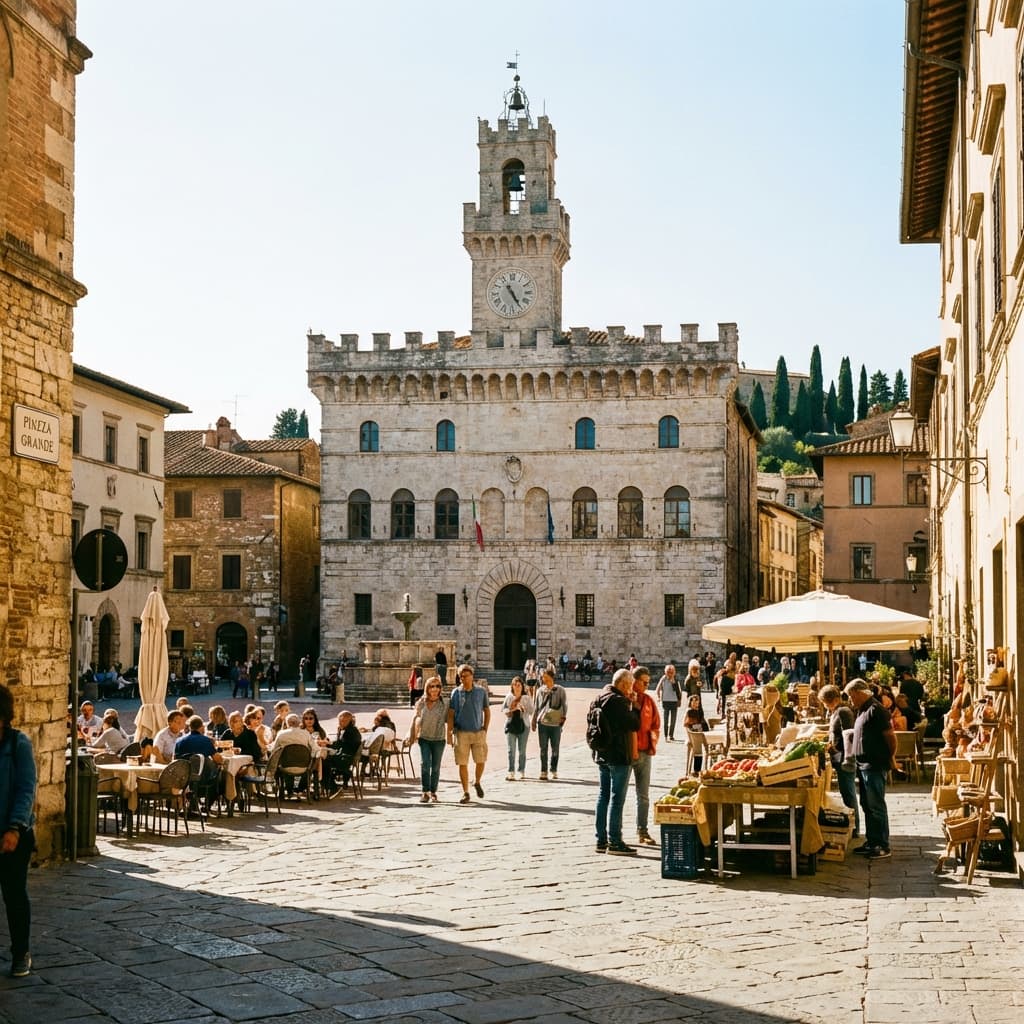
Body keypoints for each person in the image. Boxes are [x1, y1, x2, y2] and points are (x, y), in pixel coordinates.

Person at [0, 684, 36, 978]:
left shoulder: (17, 744)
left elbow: (26, 789)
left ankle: (20, 952)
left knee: (14, 895)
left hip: (13, 834)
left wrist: (14, 828)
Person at [845, 678, 896, 859]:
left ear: (859, 693)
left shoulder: (877, 710)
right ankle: (872, 841)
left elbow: (890, 737)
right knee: (867, 804)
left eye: (851, 696)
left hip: (874, 764)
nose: (850, 700)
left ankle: (882, 844)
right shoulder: (862, 710)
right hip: (863, 764)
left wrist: (890, 758)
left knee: (876, 805)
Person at [592, 668, 641, 855]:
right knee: (616, 798)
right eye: (630, 685)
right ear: (622, 684)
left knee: (603, 796)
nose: (631, 689)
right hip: (619, 755)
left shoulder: (599, 697)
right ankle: (615, 841)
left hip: (602, 753)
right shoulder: (619, 702)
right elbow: (634, 724)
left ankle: (601, 839)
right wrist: (633, 704)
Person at [819, 685, 860, 838]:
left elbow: (849, 734)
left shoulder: (843, 711)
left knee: (848, 792)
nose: (825, 705)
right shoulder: (837, 711)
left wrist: (837, 748)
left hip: (845, 758)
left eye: (825, 702)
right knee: (845, 791)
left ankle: (854, 826)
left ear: (834, 699)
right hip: (840, 757)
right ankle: (852, 825)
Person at [447, 664, 490, 804]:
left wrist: (485, 728)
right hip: (461, 733)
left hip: (478, 732)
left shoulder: (481, 692)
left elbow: (486, 710)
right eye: (461, 676)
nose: (463, 679)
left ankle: (477, 782)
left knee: (481, 760)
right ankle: (465, 792)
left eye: (466, 676)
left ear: (472, 676)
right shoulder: (456, 692)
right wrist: (449, 732)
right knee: (462, 763)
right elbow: (451, 713)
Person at [629, 666, 660, 847]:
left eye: (649, 682)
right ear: (634, 680)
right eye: (644, 682)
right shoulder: (624, 698)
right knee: (620, 794)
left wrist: (651, 743)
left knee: (644, 795)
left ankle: (642, 830)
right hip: (626, 752)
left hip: (644, 752)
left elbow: (655, 724)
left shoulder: (648, 701)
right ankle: (614, 833)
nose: (647, 686)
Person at [412, 677, 448, 802]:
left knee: (436, 767)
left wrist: (452, 735)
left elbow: (452, 719)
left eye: (437, 686)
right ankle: (425, 792)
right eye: (432, 686)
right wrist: (411, 735)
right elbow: (415, 719)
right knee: (425, 764)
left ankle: (433, 792)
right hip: (424, 738)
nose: (435, 689)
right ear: (427, 688)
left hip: (439, 739)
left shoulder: (445, 703)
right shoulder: (421, 703)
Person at [532, 668, 567, 779]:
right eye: (543, 677)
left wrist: (562, 720)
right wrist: (533, 721)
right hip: (542, 723)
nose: (544, 679)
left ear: (552, 678)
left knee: (555, 748)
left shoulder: (560, 690)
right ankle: (543, 771)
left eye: (546, 677)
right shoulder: (540, 691)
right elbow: (536, 707)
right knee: (543, 748)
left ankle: (553, 769)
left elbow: (564, 706)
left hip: (556, 724)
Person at [502, 677, 534, 781]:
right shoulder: (509, 696)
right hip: (511, 725)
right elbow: (504, 710)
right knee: (511, 750)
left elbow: (531, 711)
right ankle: (511, 771)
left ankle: (521, 770)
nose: (517, 687)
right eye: (514, 685)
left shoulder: (526, 698)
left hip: (523, 725)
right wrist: (513, 708)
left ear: (522, 686)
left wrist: (524, 708)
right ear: (512, 686)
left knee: (522, 750)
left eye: (519, 685)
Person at [326, 711, 363, 794]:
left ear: (350, 721)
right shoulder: (351, 730)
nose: (340, 723)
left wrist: (328, 744)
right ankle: (329, 784)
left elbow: (339, 745)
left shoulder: (349, 732)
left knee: (324, 761)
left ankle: (332, 786)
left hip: (345, 759)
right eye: (340, 721)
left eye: (343, 721)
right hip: (347, 757)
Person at [682, 694, 709, 772]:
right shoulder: (690, 711)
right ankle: (697, 770)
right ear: (690, 702)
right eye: (693, 701)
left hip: (699, 733)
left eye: (697, 701)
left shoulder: (698, 711)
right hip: (693, 735)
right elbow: (689, 725)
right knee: (698, 749)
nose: (695, 703)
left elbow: (702, 723)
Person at [654, 664, 681, 740]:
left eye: (671, 672)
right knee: (665, 720)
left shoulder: (675, 679)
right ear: (665, 672)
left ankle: (671, 735)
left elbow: (678, 691)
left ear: (674, 672)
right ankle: (666, 735)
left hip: (674, 701)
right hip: (665, 701)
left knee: (673, 720)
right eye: (668, 672)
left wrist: (673, 683)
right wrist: (659, 697)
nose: (670, 674)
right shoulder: (663, 678)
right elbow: (657, 688)